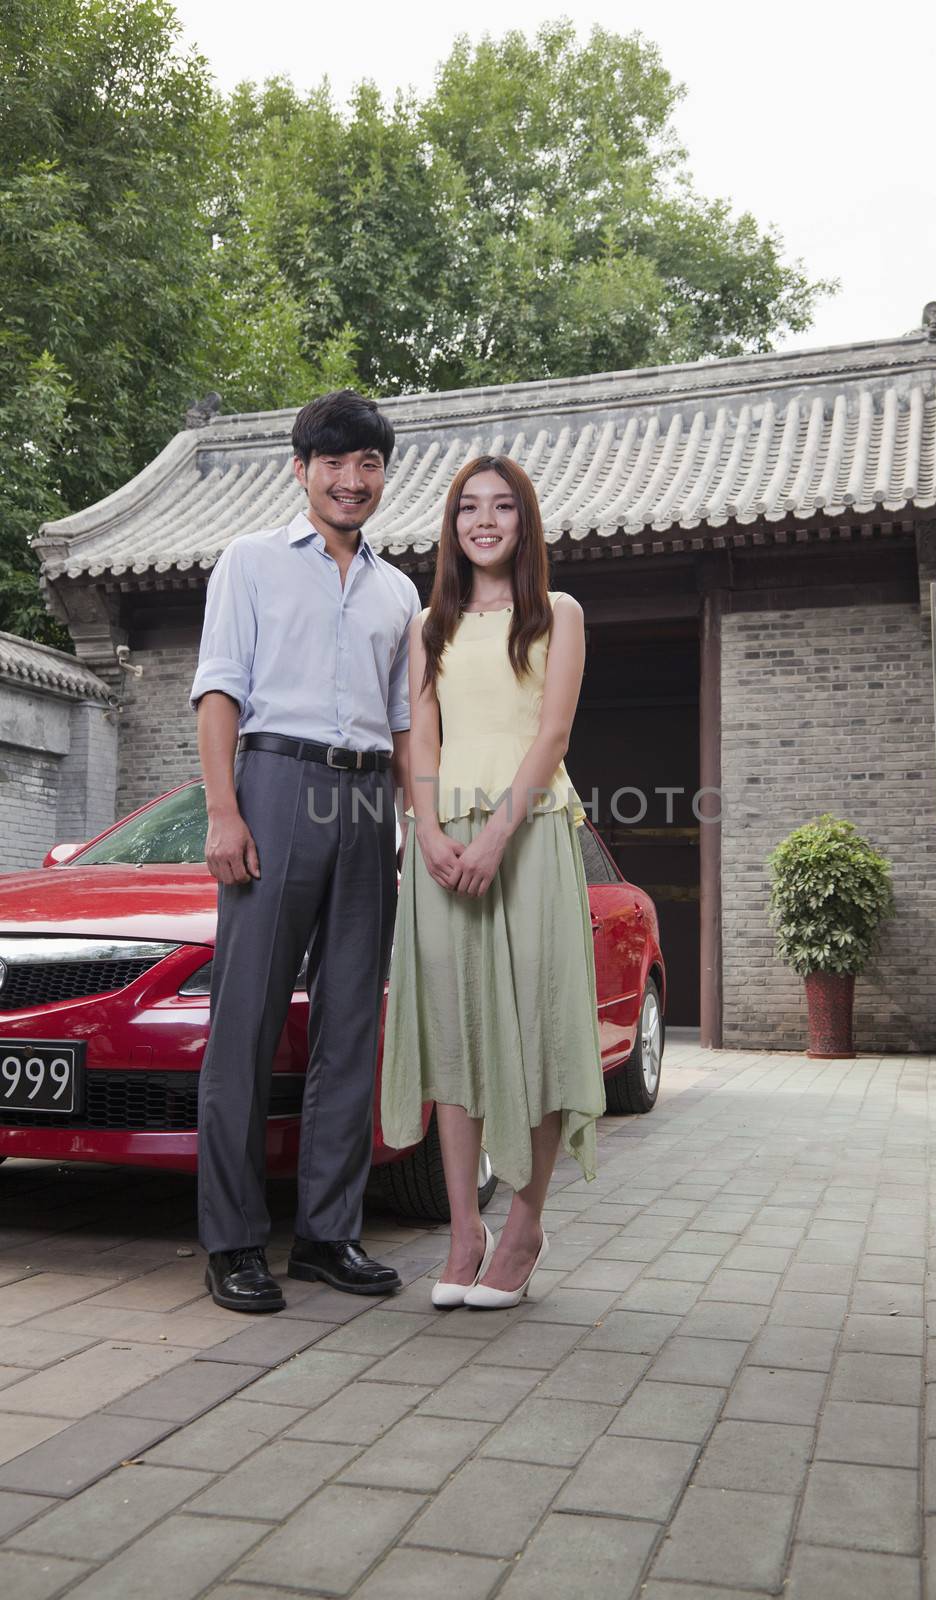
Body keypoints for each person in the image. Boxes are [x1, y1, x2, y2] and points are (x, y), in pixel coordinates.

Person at [190, 389, 420, 1313]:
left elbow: (406, 726)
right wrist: (223, 810)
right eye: (333, 462)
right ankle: (234, 1240)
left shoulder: (399, 591)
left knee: (350, 1025)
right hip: (275, 785)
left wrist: (415, 824)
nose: (350, 479)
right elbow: (218, 691)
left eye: (367, 464)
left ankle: (328, 1234)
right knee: (244, 1019)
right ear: (300, 469)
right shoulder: (248, 562)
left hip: (368, 799)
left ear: (380, 475)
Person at [381, 455, 604, 1310]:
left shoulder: (559, 615)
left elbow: (550, 737)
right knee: (455, 1032)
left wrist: (495, 837)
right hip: (442, 847)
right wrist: (428, 831)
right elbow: (421, 742)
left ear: (524, 521)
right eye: (468, 507)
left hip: (532, 834)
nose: (484, 520)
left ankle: (524, 1223)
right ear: (451, 524)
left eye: (501, 507)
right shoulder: (427, 625)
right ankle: (464, 1230)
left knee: (537, 1026)